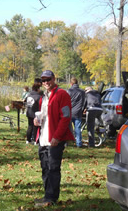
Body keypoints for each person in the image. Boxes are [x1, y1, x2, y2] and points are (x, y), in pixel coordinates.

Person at [33, 70, 75, 207]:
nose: (45, 82)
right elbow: (44, 116)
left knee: (53, 168)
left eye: (48, 79)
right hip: (43, 138)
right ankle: (47, 196)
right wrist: (36, 120)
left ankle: (51, 198)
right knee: (45, 168)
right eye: (43, 80)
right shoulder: (43, 96)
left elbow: (66, 117)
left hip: (55, 139)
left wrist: (57, 136)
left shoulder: (62, 94)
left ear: (54, 79)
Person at [67, 78, 85, 148]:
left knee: (67, 128)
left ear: (71, 84)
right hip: (78, 112)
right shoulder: (82, 92)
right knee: (77, 128)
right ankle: (79, 143)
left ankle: (67, 142)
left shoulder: (69, 91)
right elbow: (84, 102)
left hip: (69, 112)